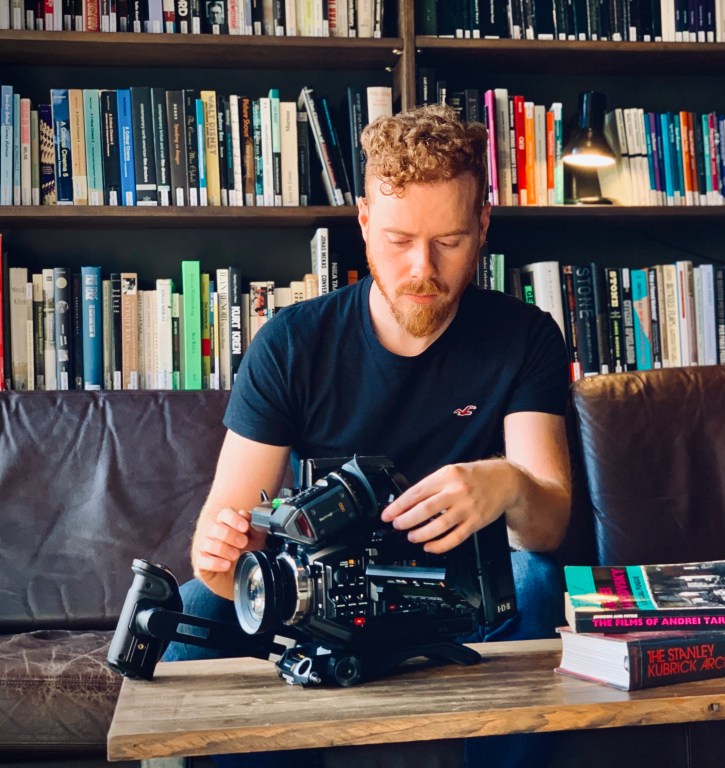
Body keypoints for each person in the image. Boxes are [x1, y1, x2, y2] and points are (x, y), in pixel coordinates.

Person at [165, 104, 572, 766]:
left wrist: (508, 483)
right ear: (362, 222)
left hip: (464, 595)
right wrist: (222, 559)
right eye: (398, 239)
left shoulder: (525, 336)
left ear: (482, 226)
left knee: (537, 579)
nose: (422, 269)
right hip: (323, 598)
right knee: (189, 613)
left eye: (449, 241)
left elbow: (548, 529)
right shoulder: (291, 343)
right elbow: (225, 536)